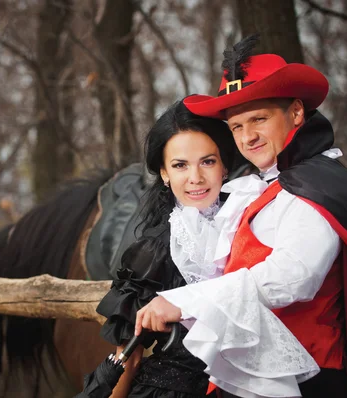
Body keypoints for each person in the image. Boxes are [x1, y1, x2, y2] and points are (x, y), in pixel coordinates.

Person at [135, 34, 347, 398]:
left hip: (308, 383)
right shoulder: (263, 188)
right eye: (236, 126)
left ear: (296, 112)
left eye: (259, 119)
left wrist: (184, 301)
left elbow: (290, 278)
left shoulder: (316, 188)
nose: (247, 136)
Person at [95, 99, 269, 397]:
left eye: (207, 161)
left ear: (224, 165)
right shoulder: (157, 247)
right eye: (180, 165)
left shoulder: (254, 217)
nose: (195, 178)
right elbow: (130, 354)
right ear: (164, 173)